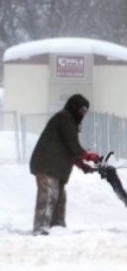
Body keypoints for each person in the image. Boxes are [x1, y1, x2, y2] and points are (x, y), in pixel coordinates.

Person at [29, 94, 100, 236]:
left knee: (60, 198)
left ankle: (57, 228)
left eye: (85, 111)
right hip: (47, 164)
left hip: (54, 167)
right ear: (74, 107)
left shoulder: (70, 121)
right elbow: (72, 144)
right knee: (49, 195)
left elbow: (69, 149)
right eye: (82, 110)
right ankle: (41, 228)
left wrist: (82, 165)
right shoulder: (65, 118)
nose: (83, 114)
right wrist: (87, 155)